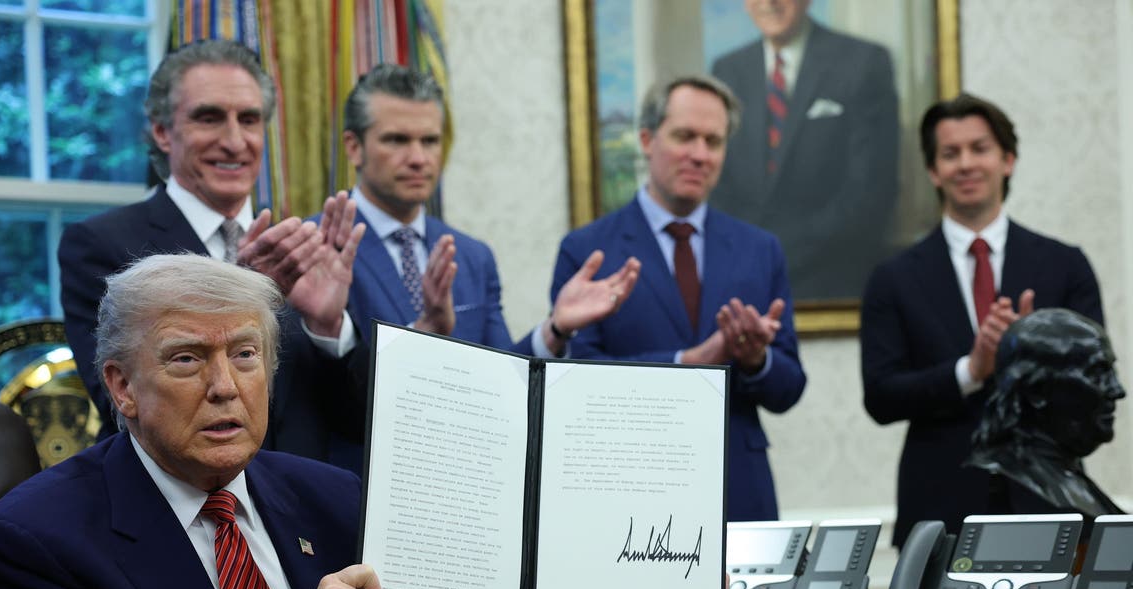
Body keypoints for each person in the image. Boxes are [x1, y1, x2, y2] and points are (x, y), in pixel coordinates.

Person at [0, 254, 749, 589]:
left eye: (245, 354)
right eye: (186, 359)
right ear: (121, 386)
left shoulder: (337, 500)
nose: (226, 386)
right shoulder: (35, 543)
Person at [59, 40, 367, 466]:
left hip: (294, 511)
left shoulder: (300, 250)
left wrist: (329, 326)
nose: (234, 141)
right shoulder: (102, 244)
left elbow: (355, 425)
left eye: (249, 119)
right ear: (163, 132)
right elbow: (120, 407)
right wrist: (235, 294)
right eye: (209, 118)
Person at [549, 74, 807, 522]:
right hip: (630, 492)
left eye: (713, 141)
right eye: (685, 136)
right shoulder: (589, 250)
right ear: (648, 139)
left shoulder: (759, 249)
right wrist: (688, 361)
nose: (699, 154)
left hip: (739, 490)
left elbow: (789, 388)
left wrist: (754, 360)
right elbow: (575, 384)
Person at [860, 93, 1104, 548]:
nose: (966, 164)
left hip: (1049, 505)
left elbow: (1094, 388)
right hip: (938, 512)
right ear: (934, 171)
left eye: (980, 148)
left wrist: (1031, 358)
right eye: (950, 154)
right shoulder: (892, 278)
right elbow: (881, 396)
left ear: (1007, 160)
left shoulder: (1064, 265)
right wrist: (970, 371)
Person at [339, 63, 640, 356]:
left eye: (430, 141)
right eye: (397, 140)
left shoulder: (472, 257)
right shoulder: (316, 251)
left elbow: (501, 378)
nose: (418, 158)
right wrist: (424, 329)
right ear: (354, 147)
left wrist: (555, 329)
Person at [710, 0, 898, 300]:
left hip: (834, 281)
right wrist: (750, 252)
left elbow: (871, 189)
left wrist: (781, 251)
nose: (769, 3)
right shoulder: (727, 71)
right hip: (745, 280)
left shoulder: (863, 62)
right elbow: (717, 181)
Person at [969, 308, 1124, 517]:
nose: (1117, 390)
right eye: (1097, 373)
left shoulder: (1067, 476)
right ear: (1037, 391)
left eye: (1112, 372)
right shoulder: (1011, 484)